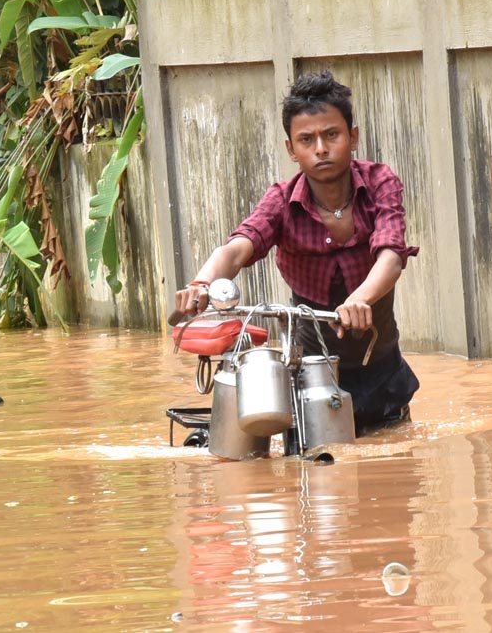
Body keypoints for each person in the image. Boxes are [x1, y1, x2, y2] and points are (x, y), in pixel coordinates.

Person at [174, 70, 420, 437]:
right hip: (309, 375)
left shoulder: (380, 182)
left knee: (393, 472)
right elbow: (237, 248)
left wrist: (359, 300)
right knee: (308, 476)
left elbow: (391, 255)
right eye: (307, 139)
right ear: (291, 149)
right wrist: (202, 283)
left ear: (352, 138)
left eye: (331, 135)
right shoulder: (281, 202)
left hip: (380, 370)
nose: (320, 148)